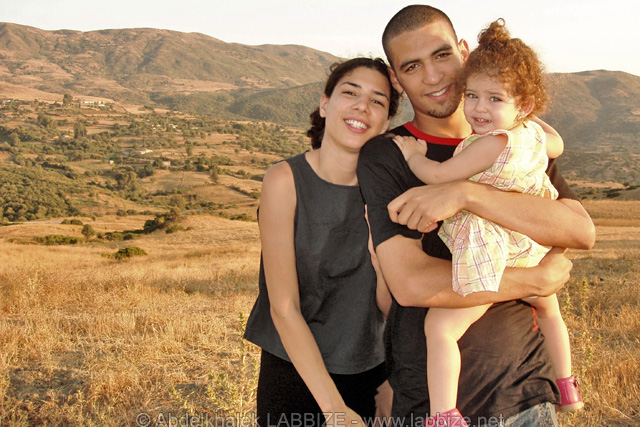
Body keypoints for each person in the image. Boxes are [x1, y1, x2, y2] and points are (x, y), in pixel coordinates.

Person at [357, 5, 595, 427]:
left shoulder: (517, 139)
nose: (433, 76)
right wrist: (535, 280)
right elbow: (411, 284)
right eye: (412, 66)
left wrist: (466, 194)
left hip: (526, 397)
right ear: (396, 79)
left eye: (441, 55)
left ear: (464, 52)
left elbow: (579, 231)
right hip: (427, 404)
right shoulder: (388, 155)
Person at [243, 57, 400, 427]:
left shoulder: (391, 191)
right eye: (350, 93)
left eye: (377, 100)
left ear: (385, 123)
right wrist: (334, 409)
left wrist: (393, 379)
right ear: (325, 104)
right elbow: (283, 307)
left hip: (370, 372)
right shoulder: (284, 180)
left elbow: (391, 306)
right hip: (294, 371)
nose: (362, 106)